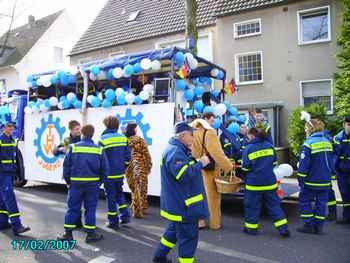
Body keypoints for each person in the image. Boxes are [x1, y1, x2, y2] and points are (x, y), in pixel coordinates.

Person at [153, 122, 210, 263]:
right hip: (184, 206)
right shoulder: (176, 151)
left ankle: (159, 257)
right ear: (183, 135)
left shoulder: (176, 149)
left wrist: (196, 161)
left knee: (172, 233)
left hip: (179, 204)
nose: (193, 137)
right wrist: (201, 163)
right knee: (188, 238)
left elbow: (183, 168)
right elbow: (183, 174)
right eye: (192, 134)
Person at [57, 124, 109, 243]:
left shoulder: (73, 147)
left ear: (83, 134)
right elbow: (105, 169)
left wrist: (68, 181)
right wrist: (99, 182)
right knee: (90, 209)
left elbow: (66, 167)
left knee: (72, 208)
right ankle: (90, 234)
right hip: (92, 185)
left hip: (75, 184)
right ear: (92, 134)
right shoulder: (99, 149)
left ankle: (68, 234)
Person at [241, 127, 290, 237]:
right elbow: (274, 164)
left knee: (252, 206)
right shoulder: (269, 146)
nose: (247, 138)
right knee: (274, 205)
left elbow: (245, 168)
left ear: (252, 136)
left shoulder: (248, 148)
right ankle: (283, 228)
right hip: (270, 183)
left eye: (248, 136)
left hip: (254, 185)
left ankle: (251, 228)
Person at [191, 112, 233, 230]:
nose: (213, 123)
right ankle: (215, 223)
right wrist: (228, 166)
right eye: (212, 120)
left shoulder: (194, 131)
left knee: (198, 196)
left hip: (197, 166)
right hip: (210, 168)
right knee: (213, 197)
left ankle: (200, 221)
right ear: (206, 119)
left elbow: (192, 151)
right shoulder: (210, 132)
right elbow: (217, 153)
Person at [297, 119, 334, 234]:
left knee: (304, 201)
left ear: (311, 129)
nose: (305, 130)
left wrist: (301, 180)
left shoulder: (308, 144)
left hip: (311, 181)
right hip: (325, 181)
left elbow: (303, 166)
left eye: (306, 128)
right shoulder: (327, 142)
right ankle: (318, 227)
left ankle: (308, 225)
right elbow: (331, 162)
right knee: (321, 204)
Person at [100, 116, 131, 228]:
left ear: (106, 125)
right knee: (119, 194)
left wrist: (101, 173)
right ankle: (125, 216)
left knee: (110, 197)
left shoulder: (103, 139)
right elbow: (128, 157)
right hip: (119, 173)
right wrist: (124, 167)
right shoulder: (123, 138)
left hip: (108, 174)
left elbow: (100, 158)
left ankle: (113, 221)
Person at [0, 122, 30, 235]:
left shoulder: (12, 140)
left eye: (12, 126)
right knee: (10, 198)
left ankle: (2, 222)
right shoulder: (1, 139)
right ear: (3, 128)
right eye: (8, 126)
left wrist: (17, 171)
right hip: (3, 173)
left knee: (3, 199)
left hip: (9, 173)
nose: (10, 128)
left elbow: (14, 158)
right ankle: (17, 225)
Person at [124, 122, 152, 218]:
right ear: (134, 129)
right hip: (140, 164)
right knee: (142, 186)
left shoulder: (124, 140)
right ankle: (140, 208)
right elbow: (146, 154)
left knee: (134, 187)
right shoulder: (140, 140)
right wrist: (149, 165)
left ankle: (137, 206)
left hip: (128, 165)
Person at [333, 115, 350, 224]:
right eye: (349, 125)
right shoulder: (338, 138)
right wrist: (334, 171)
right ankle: (347, 217)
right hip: (342, 172)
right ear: (344, 125)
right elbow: (335, 156)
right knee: (345, 194)